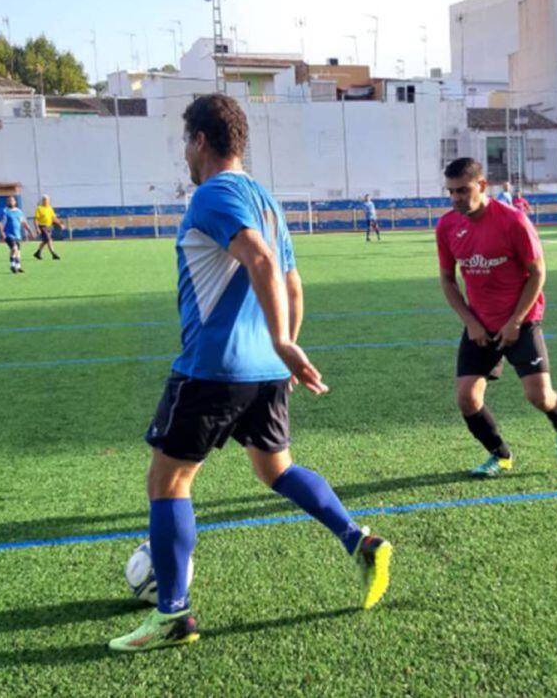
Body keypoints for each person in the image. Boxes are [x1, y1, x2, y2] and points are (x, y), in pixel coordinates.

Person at [109, 94, 392, 653]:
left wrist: (284, 341)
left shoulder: (213, 193)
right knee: (275, 469)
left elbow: (260, 260)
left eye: (184, 144)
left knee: (168, 482)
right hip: (262, 368)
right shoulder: (266, 198)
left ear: (199, 141)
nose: (183, 156)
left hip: (214, 367)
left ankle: (172, 616)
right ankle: (359, 540)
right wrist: (281, 349)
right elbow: (292, 282)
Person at [436, 157, 557, 478]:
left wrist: (515, 321)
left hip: (522, 320)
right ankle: (500, 455)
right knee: (467, 399)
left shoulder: (513, 221)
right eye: (451, 192)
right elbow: (447, 279)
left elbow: (537, 273)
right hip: (480, 325)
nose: (456, 197)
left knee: (539, 397)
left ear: (482, 185)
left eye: (463, 190)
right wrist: (471, 322)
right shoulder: (447, 225)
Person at [0, 196, 33, 274]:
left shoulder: (19, 212)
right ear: (7, 202)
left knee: (18, 251)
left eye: (12, 200)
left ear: (15, 202)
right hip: (8, 234)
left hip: (17, 235)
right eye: (9, 201)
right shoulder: (4, 211)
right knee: (14, 248)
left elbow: (24, 222)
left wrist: (30, 231)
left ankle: (18, 267)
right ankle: (12, 266)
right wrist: (1, 232)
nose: (10, 202)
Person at [33, 194, 64, 260]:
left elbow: (54, 218)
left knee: (45, 241)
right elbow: (36, 219)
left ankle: (38, 253)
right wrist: (37, 228)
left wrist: (60, 224)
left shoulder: (50, 208)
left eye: (47, 200)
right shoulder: (39, 208)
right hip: (42, 226)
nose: (46, 201)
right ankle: (53, 254)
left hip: (49, 226)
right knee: (49, 239)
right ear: (42, 201)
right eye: (44, 200)